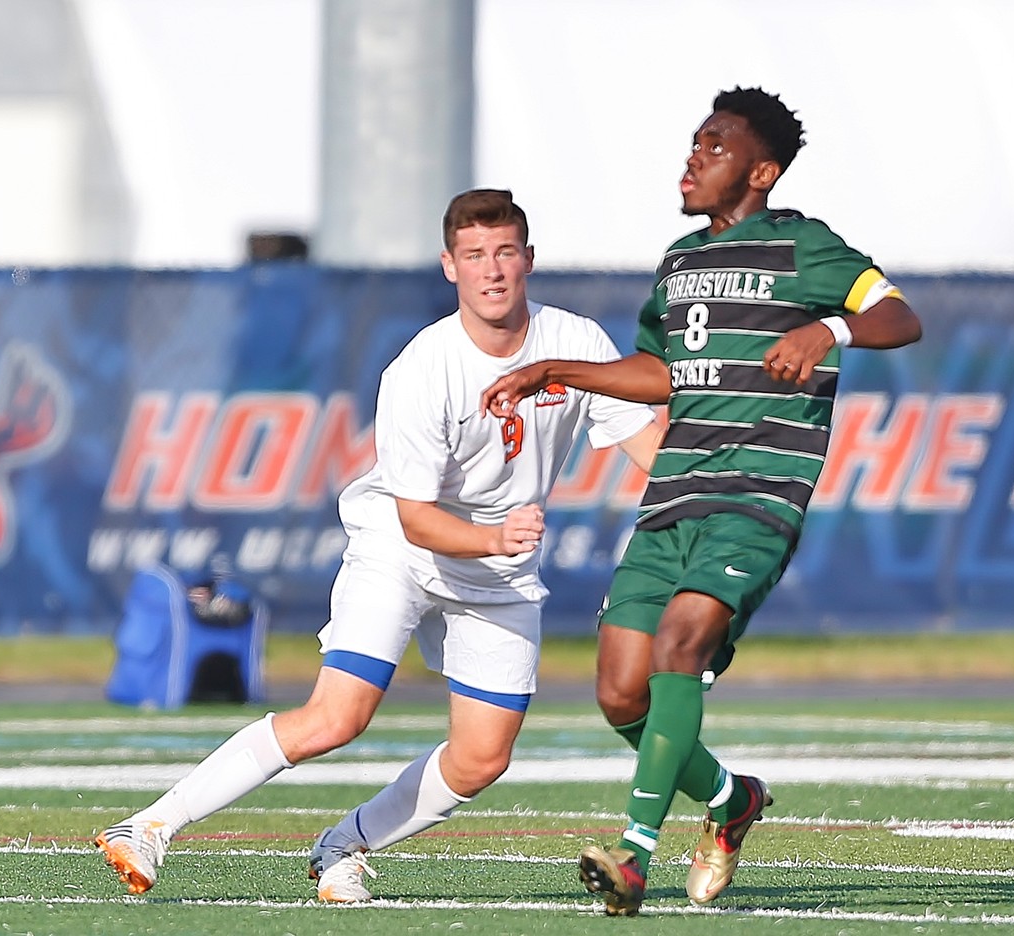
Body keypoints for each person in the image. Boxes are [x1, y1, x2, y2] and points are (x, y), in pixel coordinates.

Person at [94, 188, 663, 903]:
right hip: (404, 550)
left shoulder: (575, 342)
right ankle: (150, 825)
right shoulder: (424, 369)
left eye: (506, 252)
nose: (492, 270)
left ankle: (345, 845)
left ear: (530, 260)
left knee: (483, 758)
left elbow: (651, 448)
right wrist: (495, 536)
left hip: (499, 573)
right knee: (338, 717)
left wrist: (727, 465)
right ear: (449, 266)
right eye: (475, 255)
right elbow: (419, 519)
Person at [481, 87, 922, 916]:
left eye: (713, 146)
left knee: (681, 642)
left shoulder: (806, 248)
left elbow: (900, 317)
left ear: (761, 170)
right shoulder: (680, 262)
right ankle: (730, 802)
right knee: (620, 692)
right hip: (672, 497)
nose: (693, 156)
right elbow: (662, 376)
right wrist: (557, 371)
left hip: (760, 494)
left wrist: (830, 330)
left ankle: (635, 855)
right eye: (694, 142)